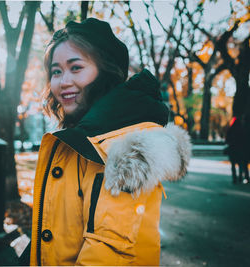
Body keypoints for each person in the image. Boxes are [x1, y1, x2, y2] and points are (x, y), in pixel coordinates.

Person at [29, 18, 191, 266]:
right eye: (56, 71)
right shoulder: (78, 140)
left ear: (105, 70)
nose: (63, 82)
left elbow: (109, 251)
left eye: (76, 68)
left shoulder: (128, 146)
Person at [225, 117, 248, 184]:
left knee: (233, 164)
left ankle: (234, 177)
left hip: (232, 149)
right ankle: (240, 176)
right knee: (240, 164)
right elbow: (245, 140)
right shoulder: (242, 130)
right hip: (240, 149)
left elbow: (227, 139)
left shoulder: (231, 129)